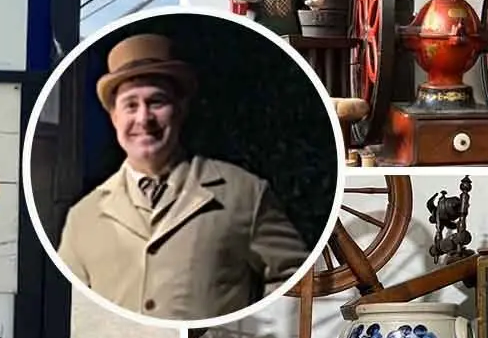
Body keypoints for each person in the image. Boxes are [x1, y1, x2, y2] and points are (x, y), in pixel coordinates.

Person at [57, 33, 312, 321]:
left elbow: (296, 278)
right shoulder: (83, 217)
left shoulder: (245, 193)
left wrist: (244, 335)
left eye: (156, 102)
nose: (144, 119)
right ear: (113, 116)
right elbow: (69, 309)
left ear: (181, 108)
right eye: (130, 105)